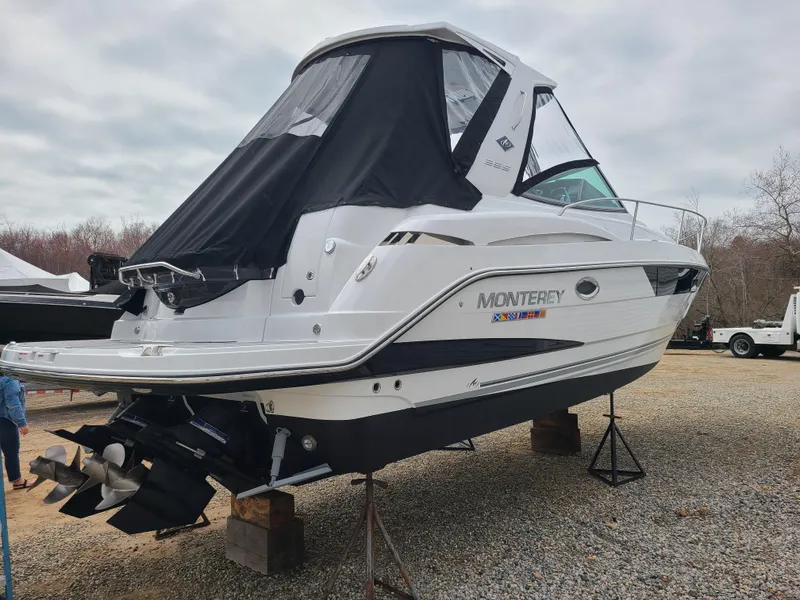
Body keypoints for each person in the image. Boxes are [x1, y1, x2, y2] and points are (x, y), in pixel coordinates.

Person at [0, 376, 31, 490]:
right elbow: (13, 404)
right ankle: (17, 481)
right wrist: (22, 423)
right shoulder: (9, 380)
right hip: (5, 420)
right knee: (11, 452)